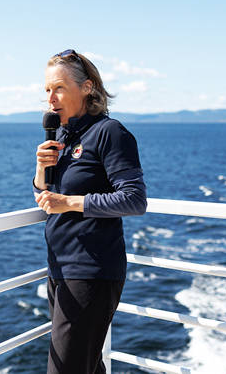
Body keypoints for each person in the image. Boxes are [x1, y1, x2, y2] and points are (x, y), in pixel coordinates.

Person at [33, 49, 147, 374]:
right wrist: (42, 171)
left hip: (92, 272)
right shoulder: (65, 138)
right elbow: (45, 199)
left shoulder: (110, 133)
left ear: (86, 87)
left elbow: (134, 199)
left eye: (59, 88)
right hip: (60, 269)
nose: (50, 99)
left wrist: (70, 202)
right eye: (46, 90)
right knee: (88, 367)